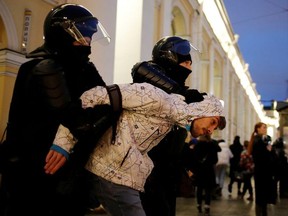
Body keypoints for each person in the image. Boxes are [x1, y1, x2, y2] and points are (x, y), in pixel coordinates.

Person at [45, 82, 227, 216]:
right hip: (111, 175)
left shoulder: (172, 119)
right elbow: (94, 95)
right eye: (213, 122)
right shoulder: (156, 98)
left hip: (121, 176)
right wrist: (63, 142)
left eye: (214, 128)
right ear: (201, 109)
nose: (210, 130)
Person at [0, 4, 112, 216]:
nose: (87, 42)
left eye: (89, 37)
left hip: (70, 173)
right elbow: (76, 119)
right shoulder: (41, 67)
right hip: (34, 173)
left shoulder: (85, 69)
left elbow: (105, 107)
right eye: (82, 36)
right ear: (61, 33)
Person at [131, 36, 206, 216]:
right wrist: (183, 93)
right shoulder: (150, 76)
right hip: (147, 172)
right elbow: (140, 69)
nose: (189, 65)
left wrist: (190, 161)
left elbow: (174, 135)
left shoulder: (177, 96)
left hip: (166, 174)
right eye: (185, 61)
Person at [247, 122, 278, 216]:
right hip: (262, 172)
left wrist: (270, 150)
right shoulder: (258, 141)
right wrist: (269, 151)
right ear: (258, 129)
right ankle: (261, 213)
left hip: (263, 172)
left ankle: (263, 212)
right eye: (264, 127)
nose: (265, 129)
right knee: (261, 195)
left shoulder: (263, 140)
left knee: (263, 195)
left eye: (266, 128)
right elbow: (260, 157)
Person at [186, 134, 220, 216]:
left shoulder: (197, 146)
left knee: (199, 188)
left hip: (199, 171)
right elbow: (215, 160)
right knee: (208, 189)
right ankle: (207, 207)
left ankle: (199, 205)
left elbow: (193, 159)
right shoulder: (212, 146)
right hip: (209, 171)